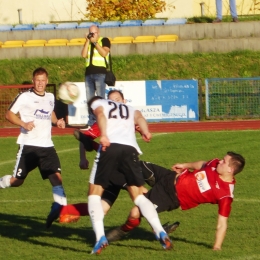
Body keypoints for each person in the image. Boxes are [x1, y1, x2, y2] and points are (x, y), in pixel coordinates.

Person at [106, 151, 245, 251]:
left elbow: (222, 224)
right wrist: (185, 165)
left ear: (230, 169)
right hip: (168, 177)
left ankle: (122, 231)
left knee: (135, 213)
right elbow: (202, 164)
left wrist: (217, 247)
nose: (220, 161)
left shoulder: (225, 195)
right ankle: (112, 182)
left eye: (224, 161)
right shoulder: (214, 165)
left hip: (169, 196)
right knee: (134, 166)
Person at [87, 95, 172, 254]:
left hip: (110, 148)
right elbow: (139, 117)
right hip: (130, 150)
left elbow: (100, 115)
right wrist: (146, 131)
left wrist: (104, 134)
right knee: (139, 196)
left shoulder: (99, 103)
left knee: (94, 193)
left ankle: (100, 238)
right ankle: (160, 231)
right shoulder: (129, 108)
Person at [0, 67, 68, 217]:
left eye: (43, 80)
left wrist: (57, 122)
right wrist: (23, 124)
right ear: (33, 81)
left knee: (57, 178)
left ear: (47, 81)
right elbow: (9, 114)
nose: (40, 83)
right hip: (29, 146)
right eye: (38, 80)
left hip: (47, 146)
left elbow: (50, 113)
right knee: (17, 181)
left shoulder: (50, 97)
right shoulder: (24, 96)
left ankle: (61, 212)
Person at [81, 24, 111, 128]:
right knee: (90, 99)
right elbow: (83, 55)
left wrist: (95, 42)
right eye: (91, 32)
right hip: (88, 73)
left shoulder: (104, 40)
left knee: (100, 99)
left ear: (98, 32)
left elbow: (104, 53)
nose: (92, 34)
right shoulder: (88, 43)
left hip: (100, 73)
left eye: (94, 32)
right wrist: (87, 41)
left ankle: (102, 120)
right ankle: (91, 122)